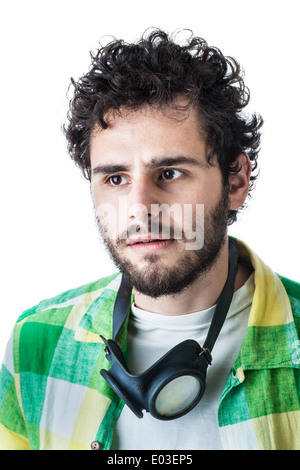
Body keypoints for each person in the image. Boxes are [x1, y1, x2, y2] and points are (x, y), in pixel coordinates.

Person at [0, 28, 299, 451]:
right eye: (116, 178)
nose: (139, 208)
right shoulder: (34, 344)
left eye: (171, 173)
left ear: (235, 180)